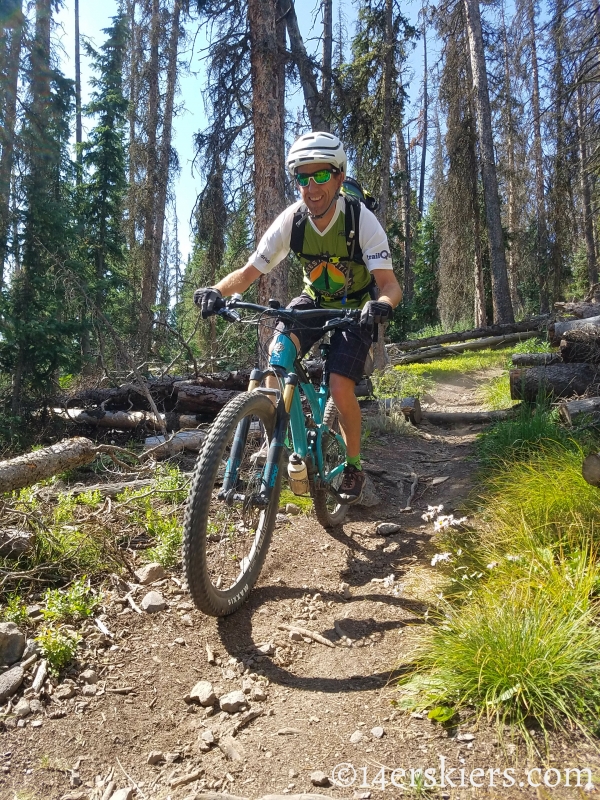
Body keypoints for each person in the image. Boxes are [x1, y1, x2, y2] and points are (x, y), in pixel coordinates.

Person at [194, 131, 402, 504]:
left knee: (340, 386)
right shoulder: (293, 220)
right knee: (277, 356)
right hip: (312, 300)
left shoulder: (360, 220)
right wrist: (217, 290)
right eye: (302, 178)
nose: (311, 187)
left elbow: (389, 285)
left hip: (354, 310)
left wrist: (380, 304)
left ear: (339, 177)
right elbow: (248, 272)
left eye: (321, 175)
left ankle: (354, 465)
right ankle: (276, 443)